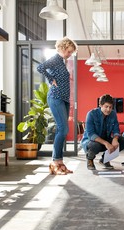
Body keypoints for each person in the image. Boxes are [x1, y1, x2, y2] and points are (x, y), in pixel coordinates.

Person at [37, 36, 78, 175]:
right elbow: (40, 67)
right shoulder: (55, 58)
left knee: (63, 130)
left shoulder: (62, 62)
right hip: (55, 97)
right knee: (63, 129)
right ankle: (55, 162)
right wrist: (50, 79)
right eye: (69, 51)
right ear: (63, 48)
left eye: (71, 52)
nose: (70, 54)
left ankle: (59, 163)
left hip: (64, 99)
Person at [81, 94, 124, 170]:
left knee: (123, 140)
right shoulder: (91, 114)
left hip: (106, 139)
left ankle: (105, 160)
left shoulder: (113, 114)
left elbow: (116, 129)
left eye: (110, 107)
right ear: (100, 105)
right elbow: (91, 134)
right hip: (92, 141)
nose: (108, 109)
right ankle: (90, 159)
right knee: (95, 145)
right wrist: (106, 143)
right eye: (106, 106)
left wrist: (115, 139)